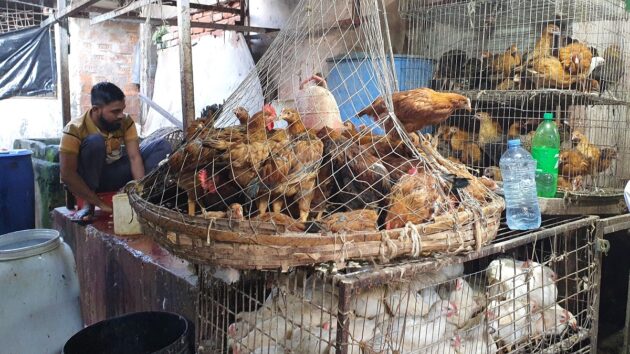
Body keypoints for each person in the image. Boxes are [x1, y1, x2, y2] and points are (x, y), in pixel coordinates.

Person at [59, 82, 171, 222]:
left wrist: (139, 192)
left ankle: (143, 196)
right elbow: (66, 174)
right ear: (96, 109)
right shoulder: (74, 129)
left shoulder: (124, 122)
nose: (121, 115)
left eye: (122, 110)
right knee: (95, 141)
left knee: (162, 146)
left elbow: (134, 157)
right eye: (115, 111)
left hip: (112, 175)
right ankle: (88, 204)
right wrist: (99, 203)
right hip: (87, 182)